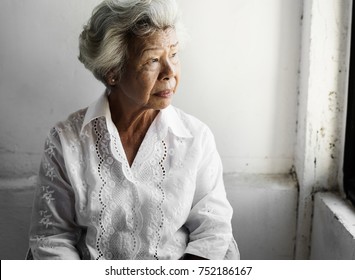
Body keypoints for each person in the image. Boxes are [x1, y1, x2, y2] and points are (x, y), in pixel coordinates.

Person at [28, 0, 239, 260]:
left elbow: (213, 230)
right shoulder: (66, 141)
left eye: (173, 54)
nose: (170, 72)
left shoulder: (195, 138)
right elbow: (52, 237)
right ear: (112, 72)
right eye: (152, 59)